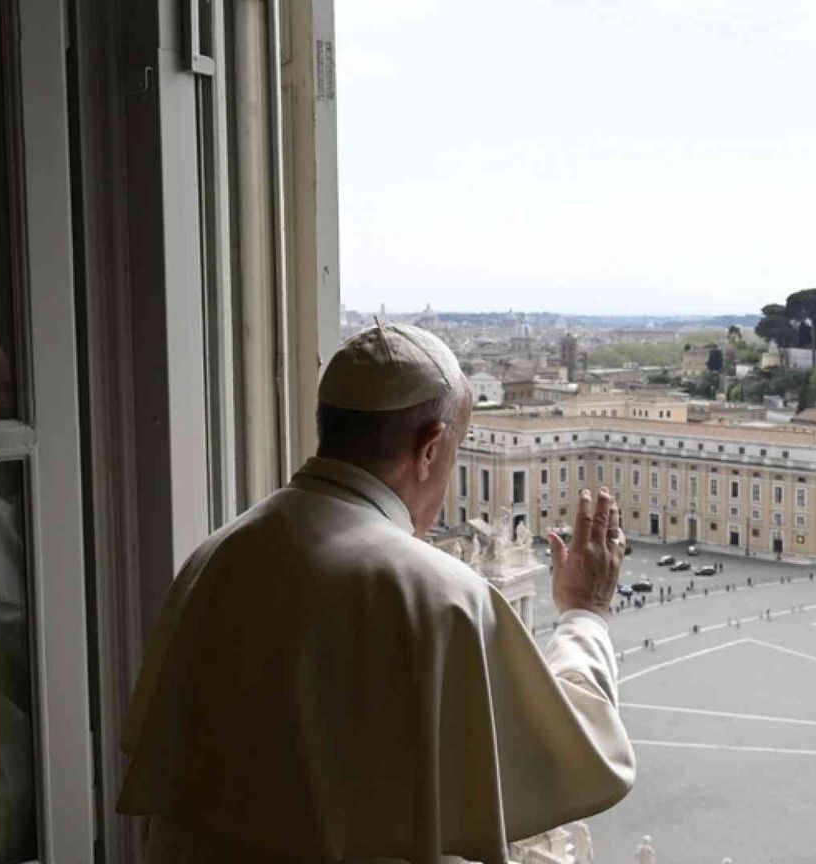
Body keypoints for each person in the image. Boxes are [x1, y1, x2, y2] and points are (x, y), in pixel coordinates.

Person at [118, 323, 635, 863]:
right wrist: (585, 612)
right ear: (429, 449)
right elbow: (580, 752)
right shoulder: (439, 597)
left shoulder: (215, 554)